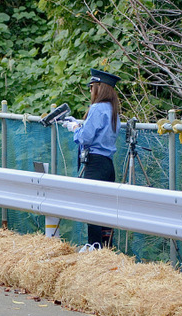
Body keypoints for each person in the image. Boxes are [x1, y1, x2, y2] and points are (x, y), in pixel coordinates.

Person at [63, 68, 121, 249]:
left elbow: (85, 138)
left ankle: (93, 247)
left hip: (94, 163)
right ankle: (106, 248)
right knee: (105, 208)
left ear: (99, 88)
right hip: (107, 164)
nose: (90, 91)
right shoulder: (113, 110)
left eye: (91, 87)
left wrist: (74, 128)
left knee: (91, 208)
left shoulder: (97, 108)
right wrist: (81, 125)